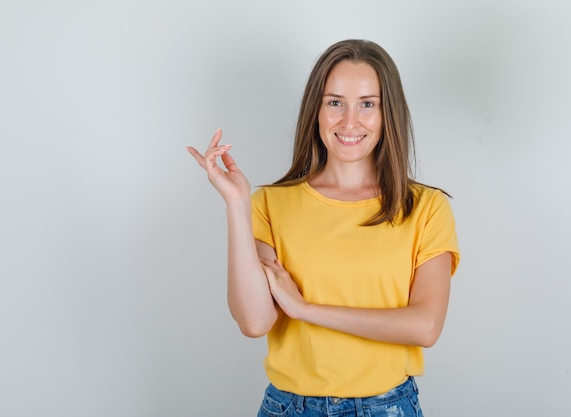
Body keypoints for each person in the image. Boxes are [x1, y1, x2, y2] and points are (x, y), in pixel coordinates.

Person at [187, 39, 459, 417]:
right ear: (316, 110)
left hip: (386, 407)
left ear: (388, 114)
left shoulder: (426, 207)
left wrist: (304, 309)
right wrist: (236, 204)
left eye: (368, 104)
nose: (350, 121)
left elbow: (425, 327)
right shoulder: (269, 204)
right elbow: (254, 321)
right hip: (289, 407)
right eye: (335, 102)